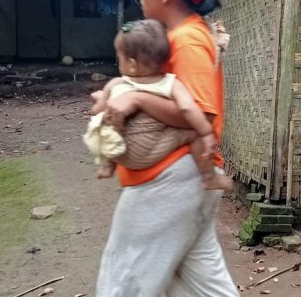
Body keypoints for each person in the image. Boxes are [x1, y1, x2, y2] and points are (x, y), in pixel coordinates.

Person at [50, 0, 280, 297]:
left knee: (123, 264)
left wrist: (133, 101)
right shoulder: (179, 35)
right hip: (183, 184)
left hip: (170, 182)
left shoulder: (190, 40)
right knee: (205, 273)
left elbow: (203, 114)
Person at [83, 18, 234, 193]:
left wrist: (101, 99)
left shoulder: (116, 83)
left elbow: (97, 111)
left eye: (120, 56)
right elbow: (187, 108)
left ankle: (107, 166)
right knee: (193, 133)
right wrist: (206, 133)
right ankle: (209, 177)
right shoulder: (171, 83)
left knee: (107, 123)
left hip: (113, 149)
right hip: (144, 152)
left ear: (131, 64)